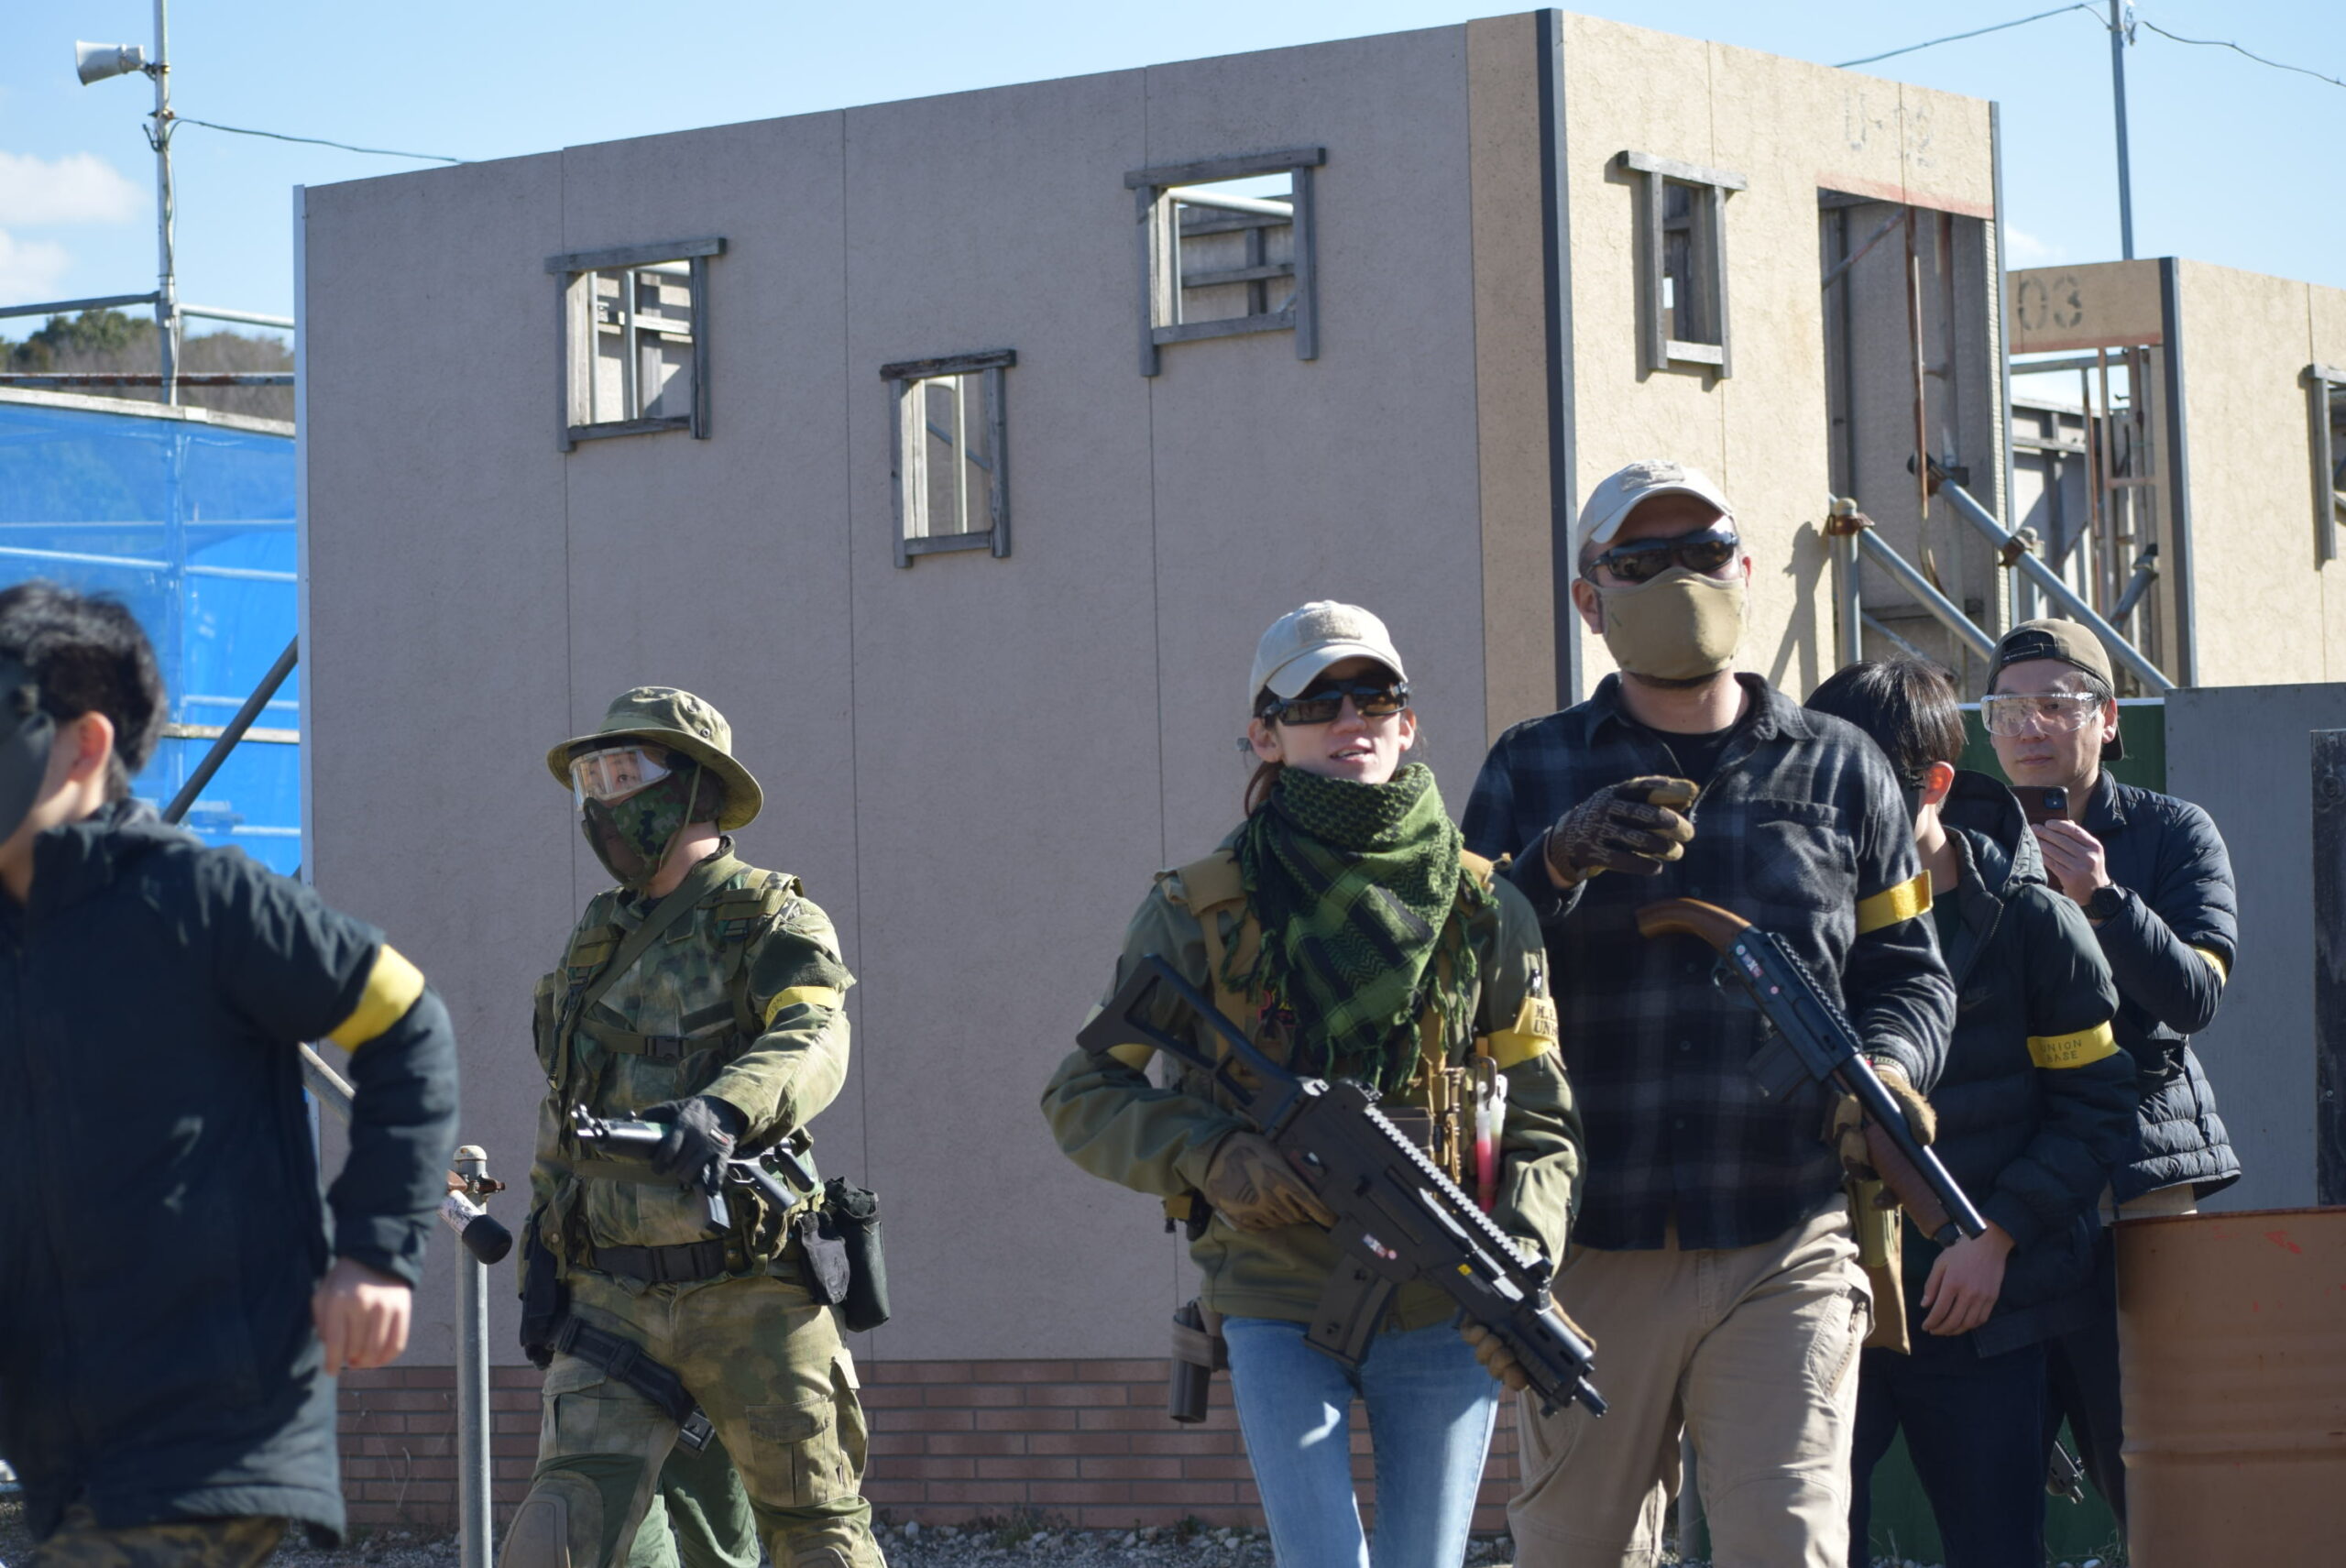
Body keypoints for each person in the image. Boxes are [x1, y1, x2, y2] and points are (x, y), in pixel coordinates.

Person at [1462, 462, 1955, 1568]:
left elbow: (1909, 973)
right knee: (1575, 1552)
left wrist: (1886, 1068)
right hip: (1589, 1238)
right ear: (1589, 597)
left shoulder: (1844, 769)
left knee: (1788, 1544)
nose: (1678, 577)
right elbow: (1451, 982)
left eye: (1703, 550)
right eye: (1640, 561)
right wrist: (1552, 862)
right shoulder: (1531, 765)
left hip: (1787, 1227)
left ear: (1746, 567)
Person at [1044, 603, 1584, 1568]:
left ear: (1407, 723)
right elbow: (1082, 1094)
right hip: (1275, 1287)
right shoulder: (1201, 909)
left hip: (1445, 1290)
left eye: (1373, 696)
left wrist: (1522, 1258)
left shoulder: (1482, 909)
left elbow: (1541, 1120)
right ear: (1266, 735)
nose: (1349, 719)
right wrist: (1210, 1152)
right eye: (1315, 702)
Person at [0, 581, 461, 1565]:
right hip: (65, 1453)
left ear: (83, 745)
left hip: (215, 1430)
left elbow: (409, 1022)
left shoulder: (202, 901)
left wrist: (376, 1250)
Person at [502, 687, 883, 1568]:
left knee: (819, 1543)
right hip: (611, 1300)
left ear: (694, 787)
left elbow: (814, 1034)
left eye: (624, 774)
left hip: (751, 1290)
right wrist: (540, 1260)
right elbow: (566, 1109)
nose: (603, 799)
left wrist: (721, 1109)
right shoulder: (595, 939)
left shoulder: (770, 915)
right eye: (592, 779)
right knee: (558, 1541)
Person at [1803, 659, 2135, 1568]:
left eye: (1861, 788)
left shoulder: (2032, 923)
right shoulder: (1800, 921)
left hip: (1986, 1313)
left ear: (1935, 784)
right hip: (1823, 1302)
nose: (1834, 814)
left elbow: (2097, 1107)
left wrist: (1997, 1237)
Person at [1980, 618, 2240, 1532]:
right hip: (2000, 1180)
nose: (2029, 725)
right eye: (2006, 707)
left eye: (2056, 703)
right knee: (1991, 1468)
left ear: (2108, 718)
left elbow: (2194, 996)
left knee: (2151, 1452)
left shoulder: (2171, 831)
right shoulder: (1966, 836)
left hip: (2135, 1173)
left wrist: (2105, 901)